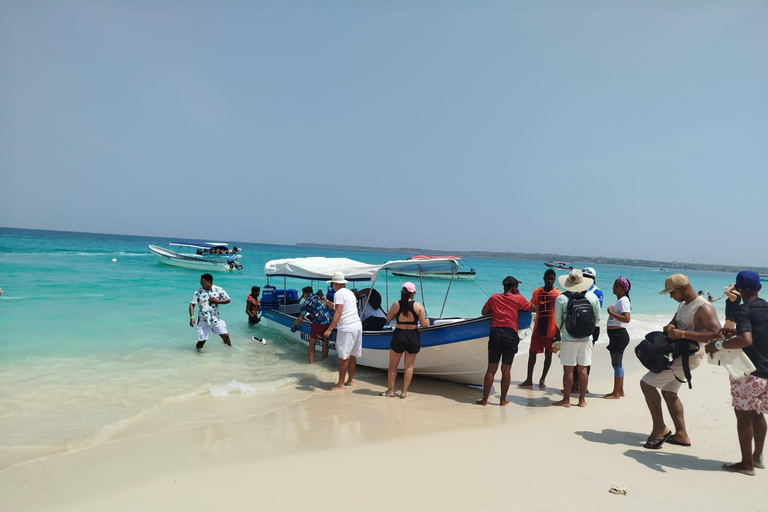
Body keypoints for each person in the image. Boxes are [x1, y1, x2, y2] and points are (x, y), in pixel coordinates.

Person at [640, 273, 721, 449]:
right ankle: (681, 435)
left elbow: (717, 334)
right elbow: (674, 323)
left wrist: (683, 334)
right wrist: (670, 327)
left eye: (672, 292)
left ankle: (660, 428)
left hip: (690, 357)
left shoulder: (703, 308)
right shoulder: (684, 305)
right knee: (669, 392)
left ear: (684, 288)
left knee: (646, 383)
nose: (671, 295)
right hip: (678, 354)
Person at [706, 270, 768, 476]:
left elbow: (746, 339)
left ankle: (746, 464)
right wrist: (733, 303)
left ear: (738, 289)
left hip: (748, 372)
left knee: (743, 418)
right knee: (757, 413)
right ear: (759, 287)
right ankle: (758, 456)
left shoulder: (744, 310)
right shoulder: (765, 307)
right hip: (766, 373)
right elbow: (751, 333)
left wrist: (718, 345)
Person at [476, 276, 536, 406]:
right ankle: (502, 400)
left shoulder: (494, 297)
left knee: (491, 369)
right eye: (517, 287)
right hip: (510, 334)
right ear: (514, 287)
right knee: (506, 369)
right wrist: (519, 298)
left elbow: (484, 312)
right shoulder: (518, 298)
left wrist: (497, 309)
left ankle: (484, 400)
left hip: (496, 333)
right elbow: (533, 308)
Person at [552, 269, 601, 408]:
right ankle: (582, 400)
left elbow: (557, 320)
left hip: (568, 337)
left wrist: (564, 331)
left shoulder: (561, 298)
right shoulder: (592, 297)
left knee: (568, 370)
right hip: (586, 338)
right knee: (583, 369)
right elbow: (598, 318)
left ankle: (566, 400)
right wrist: (588, 329)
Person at [380, 282, 430, 398]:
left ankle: (390, 391)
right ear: (412, 293)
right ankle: (404, 392)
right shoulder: (418, 306)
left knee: (393, 365)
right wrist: (427, 322)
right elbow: (423, 325)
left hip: (399, 335)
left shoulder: (396, 304)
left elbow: (388, 318)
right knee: (409, 366)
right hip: (413, 336)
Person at [519, 269, 561, 389]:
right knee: (532, 354)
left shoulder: (558, 294)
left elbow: (560, 313)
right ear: (544, 278)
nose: (550, 281)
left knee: (548, 355)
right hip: (538, 329)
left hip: (551, 330)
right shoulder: (537, 292)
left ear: (554, 279)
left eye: (552, 279)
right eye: (548, 278)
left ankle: (542, 379)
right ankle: (529, 379)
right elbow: (531, 306)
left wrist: (559, 332)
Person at [324, 272, 363, 390]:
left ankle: (340, 384)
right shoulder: (350, 292)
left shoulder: (338, 294)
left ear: (335, 283)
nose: (331, 286)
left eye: (332, 284)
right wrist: (326, 302)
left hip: (346, 328)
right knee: (352, 355)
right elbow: (341, 308)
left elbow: (339, 312)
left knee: (343, 356)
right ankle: (350, 380)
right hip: (357, 325)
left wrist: (329, 329)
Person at [572, 267, 603, 392]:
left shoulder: (597, 292)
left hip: (589, 328)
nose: (586, 279)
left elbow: (597, 314)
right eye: (584, 276)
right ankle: (576, 385)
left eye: (588, 277)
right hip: (580, 327)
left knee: (584, 358)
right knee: (577, 357)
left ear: (593, 279)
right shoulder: (578, 289)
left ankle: (582, 386)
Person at [603, 276, 632, 399]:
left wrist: (611, 313)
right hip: (616, 335)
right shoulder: (621, 300)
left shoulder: (623, 300)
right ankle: (620, 391)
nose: (613, 287)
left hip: (618, 335)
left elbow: (627, 319)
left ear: (624, 289)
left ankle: (616, 393)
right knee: (617, 364)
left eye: (616, 286)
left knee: (617, 364)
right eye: (614, 285)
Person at [189, 273, 232, 350]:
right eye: (200, 281)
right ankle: (197, 355)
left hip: (215, 319)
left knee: (226, 336)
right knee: (201, 341)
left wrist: (217, 302)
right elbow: (192, 304)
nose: (201, 283)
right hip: (203, 320)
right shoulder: (198, 291)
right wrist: (192, 317)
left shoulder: (218, 290)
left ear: (209, 281)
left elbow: (228, 300)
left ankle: (229, 353)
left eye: (203, 281)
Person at [293, 286, 335, 364]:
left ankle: (311, 363)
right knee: (325, 343)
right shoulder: (320, 297)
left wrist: (294, 325)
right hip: (329, 321)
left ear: (305, 294)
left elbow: (300, 319)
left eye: (303, 295)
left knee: (312, 342)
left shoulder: (306, 303)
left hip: (318, 324)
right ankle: (324, 362)